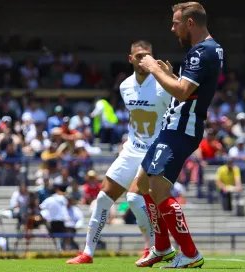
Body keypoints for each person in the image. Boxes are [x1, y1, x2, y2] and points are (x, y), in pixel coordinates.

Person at [67, 40, 172, 265]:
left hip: (154, 151)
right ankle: (87, 253)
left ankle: (155, 247)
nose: (144, 59)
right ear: (130, 59)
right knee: (103, 198)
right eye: (139, 55)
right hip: (131, 150)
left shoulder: (163, 84)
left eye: (148, 55)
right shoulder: (125, 86)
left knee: (134, 198)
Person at [136, 2, 223, 268]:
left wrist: (153, 69)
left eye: (175, 23)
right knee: (142, 184)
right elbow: (191, 89)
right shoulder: (211, 49)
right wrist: (169, 75)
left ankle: (190, 253)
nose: (172, 28)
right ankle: (162, 248)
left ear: (190, 23)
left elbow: (183, 92)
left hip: (180, 128)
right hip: (173, 126)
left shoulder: (201, 52)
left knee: (159, 188)